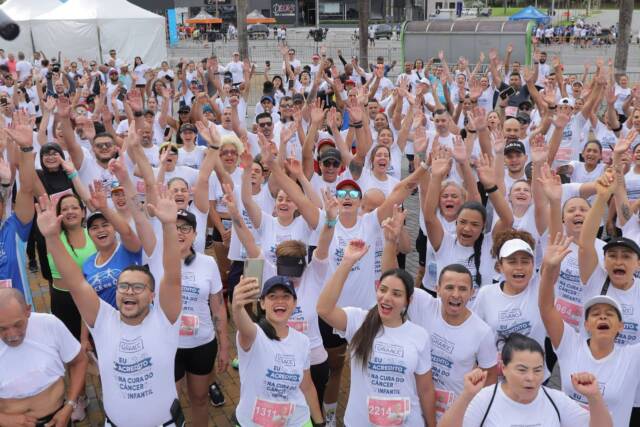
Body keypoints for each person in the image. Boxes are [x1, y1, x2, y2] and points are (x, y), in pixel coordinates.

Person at [38, 188, 184, 427]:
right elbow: (75, 283)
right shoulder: (103, 321)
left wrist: (169, 226)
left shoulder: (165, 319)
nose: (128, 291)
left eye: (138, 287)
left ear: (152, 295)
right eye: (123, 286)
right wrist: (52, 238)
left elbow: (173, 277)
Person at [317, 239, 437, 426]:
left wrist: (432, 424)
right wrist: (347, 262)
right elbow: (324, 309)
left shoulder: (419, 335)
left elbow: (426, 389)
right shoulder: (358, 321)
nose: (387, 298)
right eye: (383, 290)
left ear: (408, 300)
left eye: (396, 294)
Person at [540, 233, 640, 426]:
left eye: (610, 314)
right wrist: (549, 269)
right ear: (585, 324)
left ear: (621, 326)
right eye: (595, 313)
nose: (602, 316)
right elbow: (546, 308)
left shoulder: (633, 357)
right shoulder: (570, 343)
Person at [439, 334, 613, 427]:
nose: (531, 378)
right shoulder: (485, 399)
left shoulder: (555, 400)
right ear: (504, 368)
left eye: (537, 370)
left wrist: (594, 397)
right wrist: (466, 395)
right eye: (522, 370)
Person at [232, 275, 324, 426]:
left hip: (297, 421)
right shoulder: (253, 335)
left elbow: (307, 386)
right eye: (272, 296)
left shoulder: (303, 342)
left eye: (286, 296)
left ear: (294, 303)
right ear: (262, 303)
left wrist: (320, 422)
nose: (279, 301)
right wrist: (237, 306)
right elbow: (242, 323)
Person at [0, 288, 88, 427]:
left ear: (27, 311)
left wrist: (70, 406)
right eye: (2, 328)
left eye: (18, 324)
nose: (12, 335)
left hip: (58, 419)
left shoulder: (49, 324)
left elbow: (79, 361)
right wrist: (3, 420)